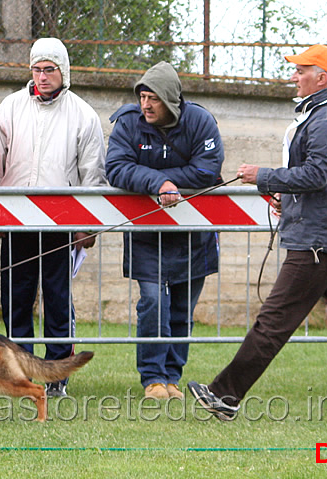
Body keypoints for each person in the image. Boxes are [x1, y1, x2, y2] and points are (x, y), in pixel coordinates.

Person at [187, 44, 327, 422]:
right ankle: (225, 395)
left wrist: (265, 175)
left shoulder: (326, 117)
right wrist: (283, 194)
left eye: (300, 70)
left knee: (274, 321)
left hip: (319, 239)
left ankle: (225, 396)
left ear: (321, 77)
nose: (294, 76)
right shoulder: (325, 114)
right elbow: (320, 179)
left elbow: (316, 175)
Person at [0, 37, 106, 397]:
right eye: (37, 69)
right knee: (16, 299)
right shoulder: (9, 108)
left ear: (63, 71)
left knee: (57, 301)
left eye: (49, 70)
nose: (42, 77)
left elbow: (93, 172)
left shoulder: (83, 115)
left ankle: (57, 375)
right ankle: (19, 370)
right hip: (17, 221)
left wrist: (89, 225)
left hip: (61, 223)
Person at [105, 61, 224, 400]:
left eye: (153, 98)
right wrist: (160, 181)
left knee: (182, 311)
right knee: (153, 303)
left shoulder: (200, 121)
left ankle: (172, 377)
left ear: (171, 99)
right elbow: (116, 167)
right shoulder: (128, 123)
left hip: (193, 237)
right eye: (142, 96)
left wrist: (166, 179)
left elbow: (207, 170)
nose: (146, 104)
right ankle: (153, 379)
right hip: (146, 235)